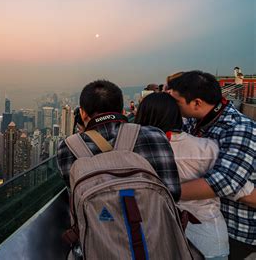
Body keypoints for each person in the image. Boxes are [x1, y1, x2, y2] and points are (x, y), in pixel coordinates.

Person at [135, 92, 254, 259]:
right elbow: (241, 189)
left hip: (157, 238)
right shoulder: (208, 148)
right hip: (207, 238)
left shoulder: (133, 152)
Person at [166, 70, 255, 259]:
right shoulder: (196, 121)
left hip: (236, 229)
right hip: (204, 220)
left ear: (197, 103)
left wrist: (163, 192)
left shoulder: (239, 128)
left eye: (176, 101)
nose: (172, 106)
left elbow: (223, 183)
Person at [57, 79, 181, 201]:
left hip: (98, 220)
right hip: (154, 220)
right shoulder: (155, 135)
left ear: (83, 114)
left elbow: (75, 197)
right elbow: (173, 193)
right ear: (122, 111)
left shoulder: (69, 147)